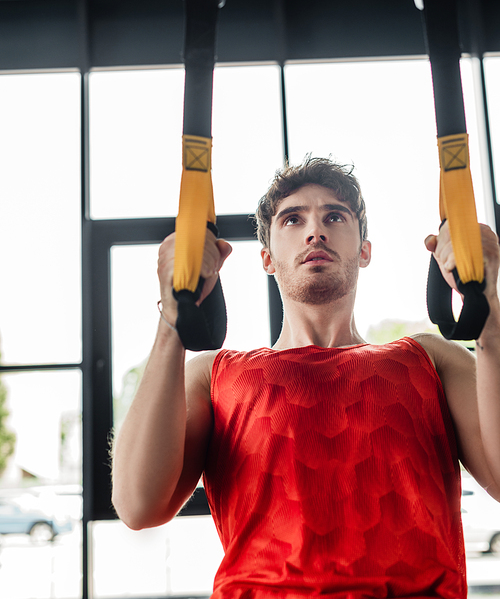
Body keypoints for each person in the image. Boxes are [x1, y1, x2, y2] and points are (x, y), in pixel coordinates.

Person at [111, 156, 500, 598]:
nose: (316, 231)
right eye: (293, 219)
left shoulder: (431, 360)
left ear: (364, 250)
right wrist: (173, 315)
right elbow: (137, 504)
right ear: (267, 258)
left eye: (335, 216)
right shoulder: (214, 375)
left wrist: (486, 300)